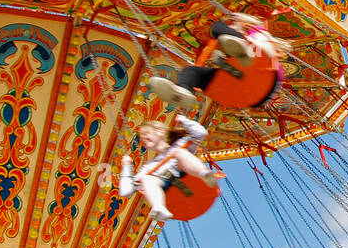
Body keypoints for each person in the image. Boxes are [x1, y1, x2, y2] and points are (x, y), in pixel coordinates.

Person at [148, 13, 292, 111]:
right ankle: (182, 92)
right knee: (191, 72)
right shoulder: (263, 50)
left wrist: (239, 19)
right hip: (245, 91)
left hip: (257, 75)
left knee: (218, 28)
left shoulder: (259, 36)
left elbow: (258, 23)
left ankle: (241, 47)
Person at [118, 116, 217, 221]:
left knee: (179, 153)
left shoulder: (179, 144)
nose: (144, 139)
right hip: (172, 191)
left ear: (160, 131)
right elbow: (125, 192)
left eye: (147, 134)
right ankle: (159, 207)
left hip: (190, 177)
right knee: (147, 179)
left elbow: (201, 133)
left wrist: (183, 120)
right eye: (142, 138)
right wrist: (127, 166)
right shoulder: (148, 167)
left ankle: (203, 174)